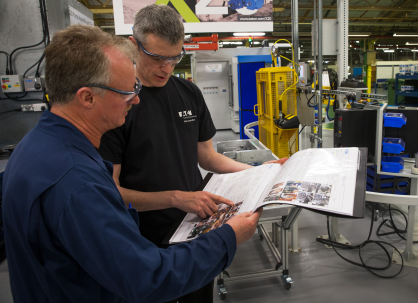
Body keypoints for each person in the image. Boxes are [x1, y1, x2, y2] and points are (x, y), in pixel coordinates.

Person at [1, 24, 262, 303]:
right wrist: (228, 237)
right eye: (126, 91)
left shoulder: (36, 146)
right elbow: (148, 278)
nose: (136, 99)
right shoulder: (76, 181)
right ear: (87, 97)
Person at [98, 4, 285, 303]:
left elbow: (208, 158)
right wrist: (175, 197)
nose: (167, 68)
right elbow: (111, 193)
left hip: (197, 229)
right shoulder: (119, 103)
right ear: (133, 45)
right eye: (158, 58)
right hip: (145, 241)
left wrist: (264, 170)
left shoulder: (189, 93)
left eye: (175, 58)